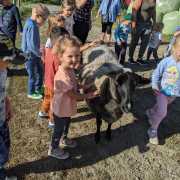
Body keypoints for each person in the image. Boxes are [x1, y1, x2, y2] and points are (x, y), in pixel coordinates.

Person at [48, 36, 98, 159]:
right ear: (60, 57)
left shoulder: (69, 70)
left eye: (77, 55)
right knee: (58, 129)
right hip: (60, 109)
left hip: (67, 107)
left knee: (67, 123)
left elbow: (74, 84)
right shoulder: (62, 77)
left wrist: (85, 85)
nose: (74, 59)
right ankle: (53, 148)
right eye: (70, 56)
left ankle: (64, 139)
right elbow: (74, 95)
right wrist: (89, 95)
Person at [146, 34, 180, 145]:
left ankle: (150, 112)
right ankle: (152, 130)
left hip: (174, 94)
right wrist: (155, 86)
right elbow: (156, 74)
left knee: (160, 108)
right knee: (162, 112)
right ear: (174, 48)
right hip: (163, 92)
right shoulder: (166, 61)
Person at [38, 26, 69, 128]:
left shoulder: (48, 50)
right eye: (66, 41)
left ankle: (42, 112)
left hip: (47, 82)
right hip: (54, 85)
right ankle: (52, 120)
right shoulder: (58, 58)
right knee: (54, 104)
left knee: (47, 98)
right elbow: (60, 72)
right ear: (58, 43)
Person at [21, 4, 49, 100]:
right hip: (30, 56)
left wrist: (38, 47)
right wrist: (39, 53)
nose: (44, 22)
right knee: (33, 74)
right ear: (38, 16)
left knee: (40, 72)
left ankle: (38, 88)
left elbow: (33, 41)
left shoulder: (31, 23)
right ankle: (31, 92)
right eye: (44, 20)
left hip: (34, 54)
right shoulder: (32, 26)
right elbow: (31, 45)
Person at [0, 34, 16, 180]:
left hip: (2, 117)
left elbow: (3, 92)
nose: (10, 63)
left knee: (6, 144)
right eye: (7, 60)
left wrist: (8, 105)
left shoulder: (3, 71)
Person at [128, 0, 156, 64]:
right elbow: (134, 10)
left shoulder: (154, 0)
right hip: (138, 24)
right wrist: (133, 25)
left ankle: (140, 58)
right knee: (134, 41)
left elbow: (153, 11)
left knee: (145, 42)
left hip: (148, 24)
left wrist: (154, 22)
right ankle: (130, 58)